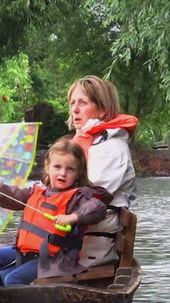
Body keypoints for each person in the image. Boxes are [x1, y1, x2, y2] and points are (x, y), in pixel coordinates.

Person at [0, 138, 113, 285]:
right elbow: (15, 196)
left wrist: (72, 217)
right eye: (57, 167)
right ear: (47, 167)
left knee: (13, 279)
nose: (62, 173)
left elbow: (98, 207)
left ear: (78, 173)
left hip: (57, 259)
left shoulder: (78, 196)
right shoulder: (37, 191)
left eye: (70, 169)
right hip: (28, 254)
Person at [67, 75, 139, 267]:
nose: (74, 109)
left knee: (5, 274)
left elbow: (94, 195)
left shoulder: (112, 148)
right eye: (72, 102)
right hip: (71, 242)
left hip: (88, 250)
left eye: (82, 103)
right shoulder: (87, 142)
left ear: (102, 110)